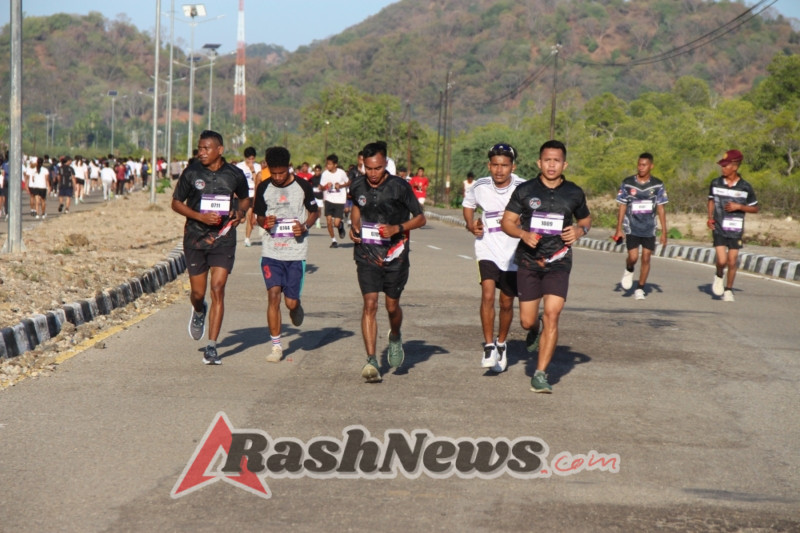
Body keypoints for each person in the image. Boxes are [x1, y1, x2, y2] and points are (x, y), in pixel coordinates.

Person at [501, 140, 591, 393]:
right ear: (539, 163)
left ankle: (540, 374)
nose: (552, 165)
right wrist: (522, 234)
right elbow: (507, 221)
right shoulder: (525, 191)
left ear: (565, 164)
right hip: (529, 261)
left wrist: (580, 230)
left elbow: (585, 220)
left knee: (553, 313)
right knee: (527, 321)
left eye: (557, 161)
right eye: (547, 160)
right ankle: (534, 328)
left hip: (559, 261)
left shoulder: (574, 192)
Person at [348, 141, 426, 382]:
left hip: (395, 254)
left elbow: (421, 218)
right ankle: (371, 360)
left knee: (392, 307)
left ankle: (395, 335)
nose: (373, 174)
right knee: (370, 304)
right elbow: (357, 208)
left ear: (385, 164)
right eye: (368, 168)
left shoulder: (399, 187)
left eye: (378, 168)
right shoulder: (357, 185)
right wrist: (354, 227)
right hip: (366, 253)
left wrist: (396, 228)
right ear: (363, 164)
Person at [171, 130, 251, 365]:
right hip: (195, 238)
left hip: (223, 238)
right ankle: (199, 310)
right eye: (199, 148)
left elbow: (245, 199)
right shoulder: (192, 172)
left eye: (206, 148)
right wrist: (200, 217)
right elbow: (176, 203)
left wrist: (240, 212)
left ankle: (212, 346)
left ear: (220, 150)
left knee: (218, 288)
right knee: (198, 293)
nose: (201, 152)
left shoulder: (235, 174)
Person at [463, 144, 526, 373]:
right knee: (488, 294)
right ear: (489, 165)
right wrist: (471, 225)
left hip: (513, 251)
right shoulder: (480, 186)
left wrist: (522, 223)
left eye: (504, 165)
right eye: (495, 165)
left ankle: (501, 343)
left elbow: (533, 212)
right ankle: (489, 346)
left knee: (506, 302)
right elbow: (468, 205)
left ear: (513, 167)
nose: (499, 170)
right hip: (487, 247)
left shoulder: (523, 187)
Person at [253, 146, 319, 363]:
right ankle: (276, 347)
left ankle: (296, 307)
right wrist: (265, 222)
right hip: (271, 251)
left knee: (290, 302)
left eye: (282, 173)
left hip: (295, 252)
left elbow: (314, 211)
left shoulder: (302, 186)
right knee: (273, 295)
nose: (278, 177)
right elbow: (258, 216)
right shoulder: (264, 187)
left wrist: (305, 226)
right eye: (274, 173)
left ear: (289, 167)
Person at [613, 152, 669, 300]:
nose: (641, 167)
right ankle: (629, 269)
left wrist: (664, 232)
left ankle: (640, 288)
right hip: (632, 226)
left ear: (651, 166)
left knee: (646, 258)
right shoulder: (628, 183)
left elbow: (661, 208)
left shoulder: (658, 185)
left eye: (644, 165)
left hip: (649, 228)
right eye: (639, 165)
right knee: (633, 257)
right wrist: (618, 229)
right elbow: (622, 206)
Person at [707, 149, 759, 302]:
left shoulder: (745, 187)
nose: (722, 168)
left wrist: (740, 207)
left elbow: (755, 208)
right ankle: (719, 275)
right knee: (722, 261)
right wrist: (709, 218)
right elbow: (711, 201)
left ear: (735, 167)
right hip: (718, 227)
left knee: (732, 260)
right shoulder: (715, 183)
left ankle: (728, 290)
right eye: (722, 166)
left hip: (735, 230)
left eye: (725, 166)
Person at [320, 153, 349, 248]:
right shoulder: (325, 174)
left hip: (339, 200)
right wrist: (325, 186)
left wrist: (340, 186)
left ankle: (340, 226)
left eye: (330, 164)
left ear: (335, 164)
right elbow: (321, 187)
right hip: (329, 199)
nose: (327, 166)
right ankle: (334, 241)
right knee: (329, 221)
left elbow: (349, 182)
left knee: (336, 223)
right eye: (327, 164)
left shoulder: (341, 173)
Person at [236, 146, 262, 247]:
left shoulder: (258, 167)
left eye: (252, 158)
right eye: (249, 159)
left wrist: (252, 170)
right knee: (242, 219)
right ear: (245, 157)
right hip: (242, 195)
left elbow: (257, 181)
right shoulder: (239, 166)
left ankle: (247, 238)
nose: (251, 161)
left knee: (250, 216)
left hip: (252, 194)